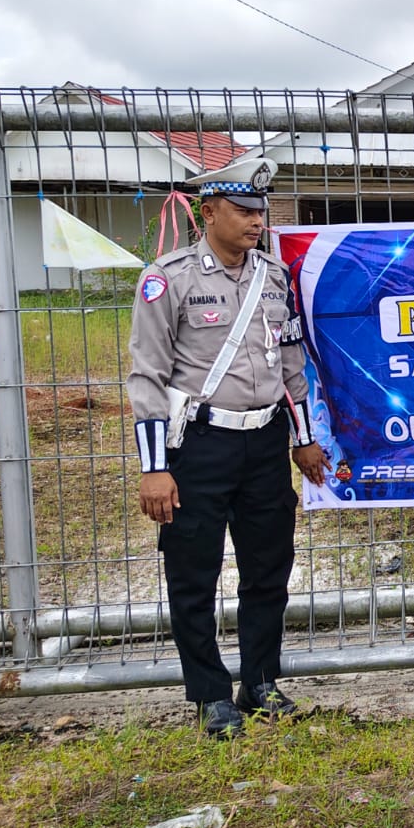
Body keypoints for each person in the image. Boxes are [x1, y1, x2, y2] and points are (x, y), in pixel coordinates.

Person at [128, 157, 330, 739]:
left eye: (260, 212)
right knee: (193, 574)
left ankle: (260, 682)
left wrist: (303, 440)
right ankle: (211, 694)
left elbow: (290, 364)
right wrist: (154, 468)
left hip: (264, 443)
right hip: (200, 446)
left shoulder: (273, 277)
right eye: (243, 211)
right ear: (208, 211)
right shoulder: (168, 279)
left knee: (269, 568)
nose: (256, 222)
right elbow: (147, 376)